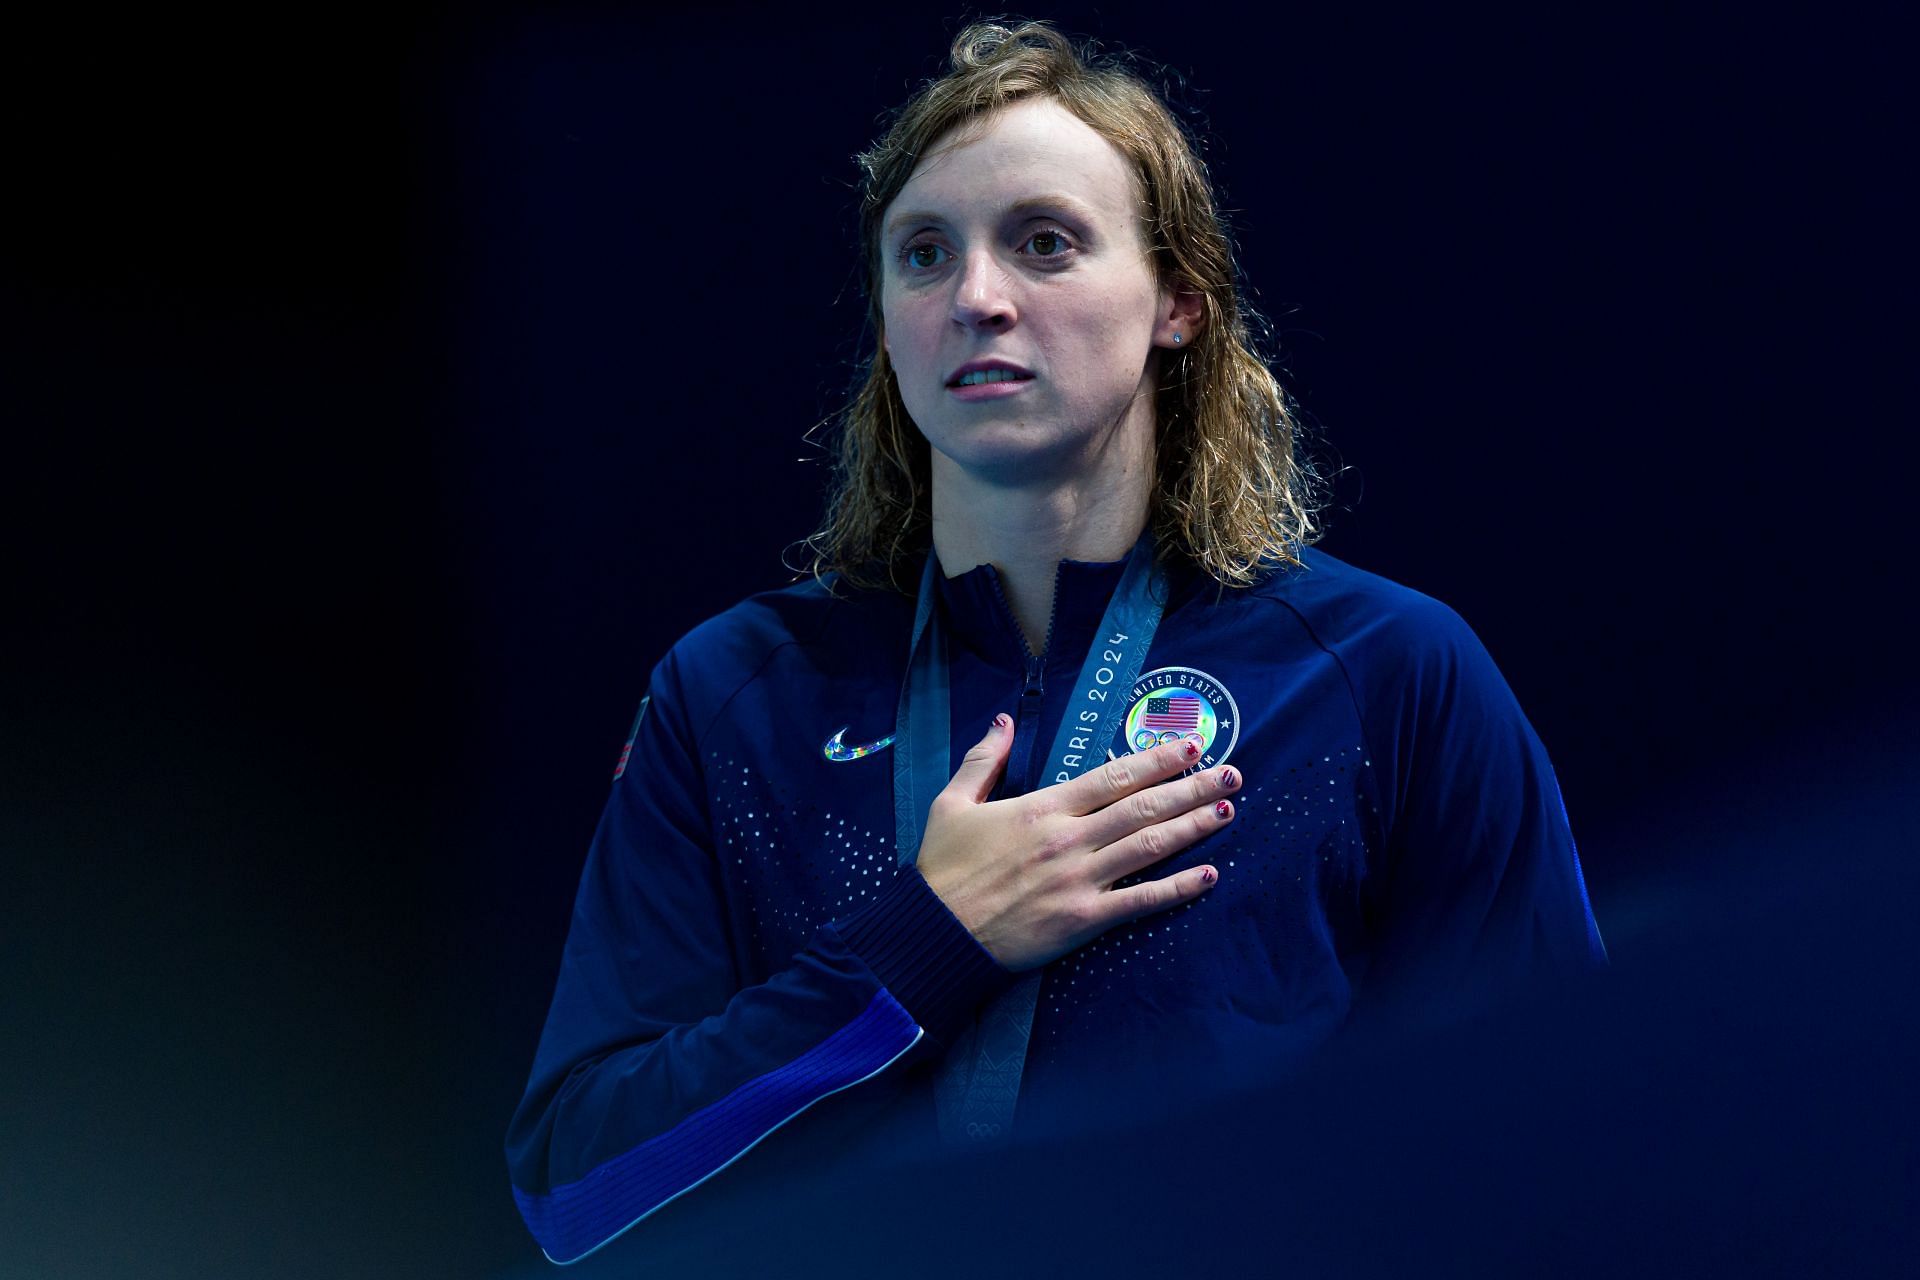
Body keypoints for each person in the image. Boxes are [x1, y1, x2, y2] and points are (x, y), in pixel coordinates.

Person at [505, 19, 1606, 1266]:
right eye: (923, 256)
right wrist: (923, 943)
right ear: (885, 326)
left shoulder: (1382, 671)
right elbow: (576, 1187)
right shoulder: (732, 694)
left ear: (1179, 303)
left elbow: (1559, 1125)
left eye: (1044, 242)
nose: (976, 297)